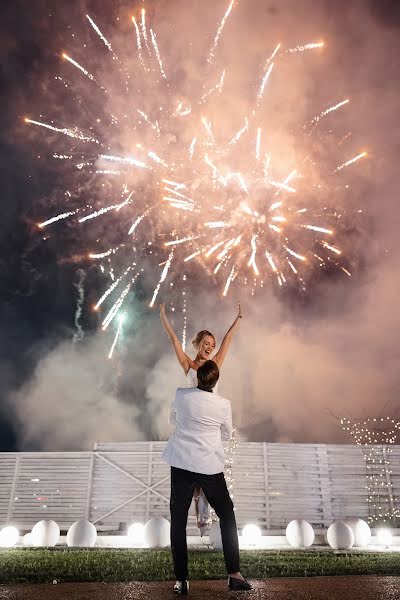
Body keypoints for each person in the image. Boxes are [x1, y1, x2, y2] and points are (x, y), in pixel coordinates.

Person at [162, 360, 252, 595]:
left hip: (181, 462)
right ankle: (234, 574)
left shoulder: (181, 394)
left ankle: (181, 581)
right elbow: (227, 433)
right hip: (209, 466)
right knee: (226, 514)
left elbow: (173, 421)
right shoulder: (223, 404)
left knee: (178, 520)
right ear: (215, 380)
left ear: (198, 377)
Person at [160, 302, 242, 532]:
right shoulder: (189, 364)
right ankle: (199, 511)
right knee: (193, 477)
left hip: (209, 422)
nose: (210, 347)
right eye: (206, 343)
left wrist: (238, 320)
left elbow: (228, 340)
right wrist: (164, 317)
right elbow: (174, 341)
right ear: (197, 344)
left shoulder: (215, 364)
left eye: (212, 345)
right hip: (191, 422)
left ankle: (204, 513)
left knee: (207, 474)